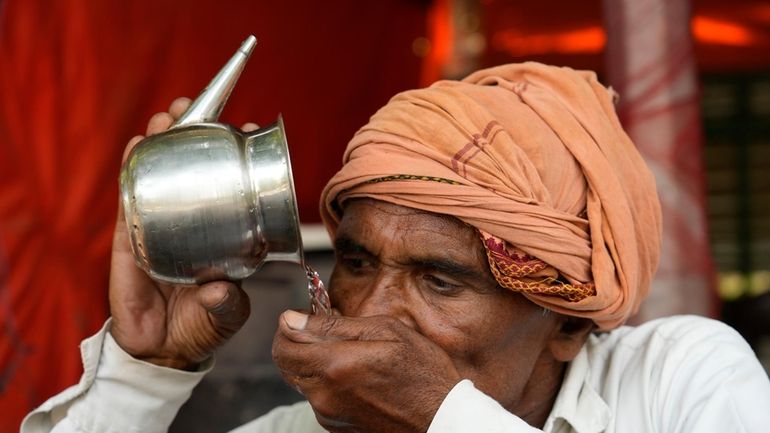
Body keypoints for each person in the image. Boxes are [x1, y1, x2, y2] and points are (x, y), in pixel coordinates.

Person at [21, 63, 770, 433]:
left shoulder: (680, 380)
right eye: (355, 260)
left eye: (439, 280)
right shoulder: (298, 429)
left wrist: (438, 410)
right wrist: (142, 369)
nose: (371, 313)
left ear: (568, 322)